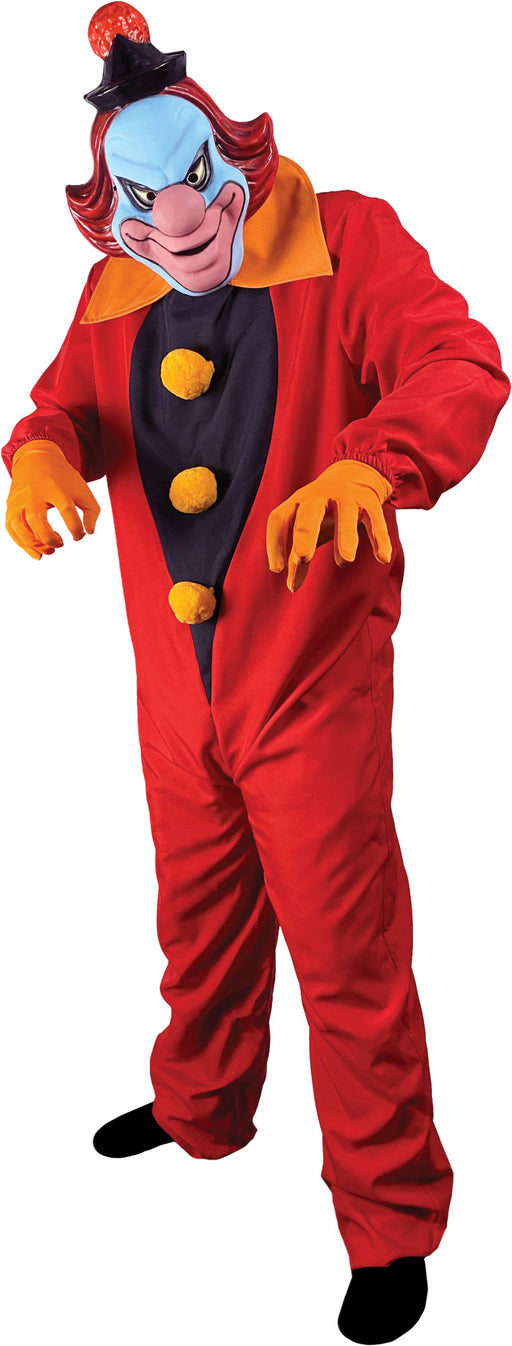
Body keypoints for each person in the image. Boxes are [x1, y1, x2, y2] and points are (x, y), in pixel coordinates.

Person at [3, 6, 509, 1342]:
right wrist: (38, 451)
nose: (175, 219)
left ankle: (391, 1219)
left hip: (312, 684)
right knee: (199, 913)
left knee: (347, 950)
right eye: (139, 199)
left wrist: (376, 459)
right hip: (176, 695)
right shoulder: (113, 291)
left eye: (189, 180)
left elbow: (460, 361)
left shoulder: (347, 239)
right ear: (110, 212)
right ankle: (202, 1107)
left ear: (230, 156)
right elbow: (64, 405)